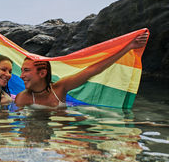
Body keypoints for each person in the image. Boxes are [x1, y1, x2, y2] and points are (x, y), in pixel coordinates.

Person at [15, 31, 149, 108]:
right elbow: (15, 124)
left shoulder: (60, 88)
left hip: (64, 134)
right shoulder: (23, 98)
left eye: (26, 70)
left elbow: (94, 70)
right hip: (38, 133)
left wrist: (128, 47)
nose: (21, 76)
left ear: (42, 73)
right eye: (21, 70)